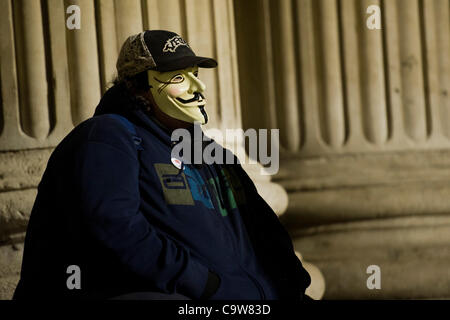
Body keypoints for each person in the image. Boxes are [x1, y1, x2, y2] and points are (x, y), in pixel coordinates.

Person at [13, 30, 311, 300]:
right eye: (179, 78)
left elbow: (261, 224)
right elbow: (114, 229)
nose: (198, 88)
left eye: (194, 73)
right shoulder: (108, 136)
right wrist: (201, 284)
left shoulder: (210, 153)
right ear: (139, 88)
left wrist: (293, 283)